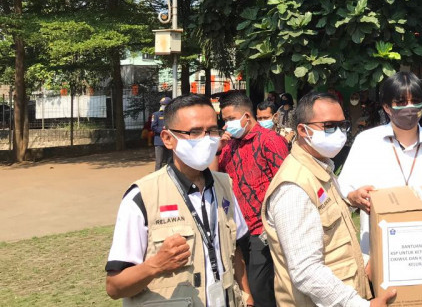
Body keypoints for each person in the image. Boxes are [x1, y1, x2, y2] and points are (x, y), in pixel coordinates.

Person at [105, 93, 253, 307]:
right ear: (167, 139)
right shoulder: (141, 197)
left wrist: (247, 295)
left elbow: (236, 250)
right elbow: (114, 287)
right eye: (194, 132)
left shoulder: (225, 186)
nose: (206, 139)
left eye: (212, 130)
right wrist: (155, 265)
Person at [262, 91, 396, 306]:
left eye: (342, 125)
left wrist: (351, 201)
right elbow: (306, 270)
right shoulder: (294, 187)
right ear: (303, 130)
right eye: (329, 126)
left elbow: (331, 236)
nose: (339, 133)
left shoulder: (321, 171)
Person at [339, 71, 422, 262]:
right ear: (387, 107)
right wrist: (354, 197)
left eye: (415, 101)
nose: (409, 108)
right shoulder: (366, 142)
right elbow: (342, 190)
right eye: (401, 102)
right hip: (377, 256)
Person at [215, 91, 289, 307]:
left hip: (262, 230)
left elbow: (284, 184)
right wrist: (216, 149)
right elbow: (214, 178)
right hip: (237, 230)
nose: (226, 125)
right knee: (241, 288)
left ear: (246, 117)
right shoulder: (229, 146)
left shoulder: (270, 141)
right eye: (224, 120)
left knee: (259, 291)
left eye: (230, 119)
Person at [150, 96, 172, 170]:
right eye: (162, 104)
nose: (163, 106)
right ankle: (157, 177)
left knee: (170, 161)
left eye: (165, 105)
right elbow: (153, 127)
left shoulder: (172, 115)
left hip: (170, 141)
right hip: (159, 141)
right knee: (159, 162)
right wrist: (163, 130)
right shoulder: (156, 114)